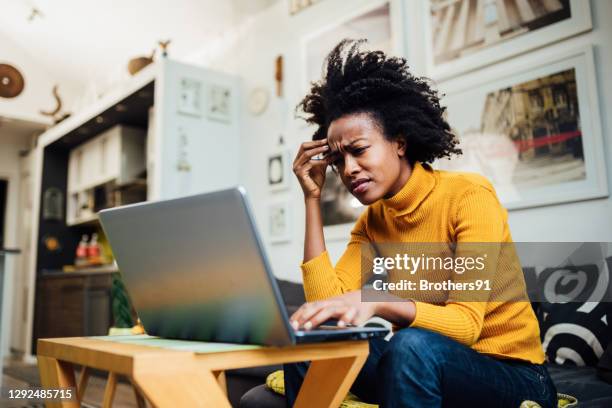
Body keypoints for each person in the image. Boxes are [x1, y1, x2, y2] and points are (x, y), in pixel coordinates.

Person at [285, 39, 557, 407]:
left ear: (399, 142)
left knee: (411, 344)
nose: (348, 169)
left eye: (359, 150)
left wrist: (378, 300)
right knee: (310, 341)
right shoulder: (373, 224)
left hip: (512, 372)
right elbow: (327, 309)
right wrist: (312, 199)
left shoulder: (469, 196)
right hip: (421, 362)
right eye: (337, 159)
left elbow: (465, 325)